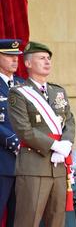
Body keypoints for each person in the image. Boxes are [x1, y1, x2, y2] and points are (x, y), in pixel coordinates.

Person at [7, 41, 75, 227]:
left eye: (49, 58)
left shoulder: (58, 91)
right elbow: (23, 129)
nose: (47, 62)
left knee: (57, 221)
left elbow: (69, 121)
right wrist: (54, 145)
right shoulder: (19, 93)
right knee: (28, 221)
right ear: (28, 63)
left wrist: (67, 145)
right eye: (42, 58)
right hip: (34, 167)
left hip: (59, 166)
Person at [0, 39, 24, 226]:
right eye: (9, 55)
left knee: (19, 218)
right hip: (2, 160)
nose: (15, 60)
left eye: (16, 56)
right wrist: (11, 139)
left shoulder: (23, 84)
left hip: (24, 163)